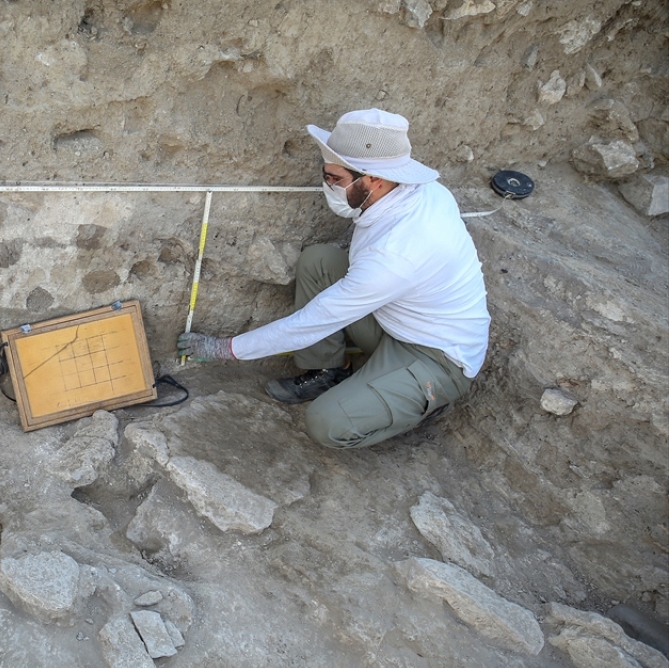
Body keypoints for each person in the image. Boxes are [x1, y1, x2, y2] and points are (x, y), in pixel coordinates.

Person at [177, 108, 490, 449]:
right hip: (396, 321)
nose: (328, 186)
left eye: (335, 179)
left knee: (326, 423)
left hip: (436, 359)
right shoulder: (418, 194)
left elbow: (311, 323)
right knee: (320, 262)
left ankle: (419, 405)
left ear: (375, 180)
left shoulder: (397, 256)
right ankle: (328, 370)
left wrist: (225, 349)